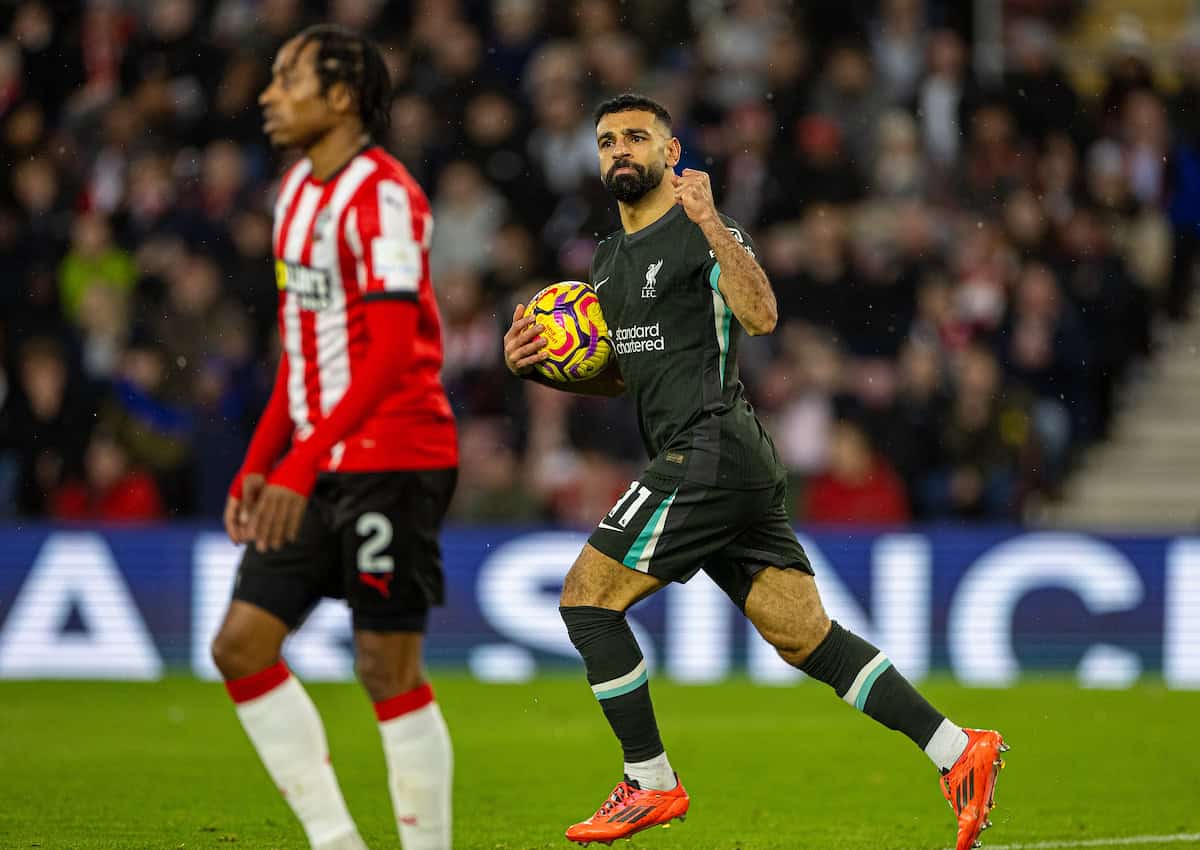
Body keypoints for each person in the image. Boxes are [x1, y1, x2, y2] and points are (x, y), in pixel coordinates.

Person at [502, 93, 1008, 850]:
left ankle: (651, 782)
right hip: (720, 459)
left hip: (706, 447)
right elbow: (623, 375)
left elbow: (763, 314)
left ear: (671, 155)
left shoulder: (704, 231)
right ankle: (957, 750)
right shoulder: (606, 260)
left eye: (637, 137)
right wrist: (544, 370)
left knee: (586, 601)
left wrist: (710, 222)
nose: (620, 151)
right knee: (801, 634)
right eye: (607, 141)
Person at [210, 26, 457, 850]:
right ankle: (337, 841)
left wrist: (302, 460)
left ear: (343, 96)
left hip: (395, 457)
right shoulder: (293, 197)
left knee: (386, 670)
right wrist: (261, 462)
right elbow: (304, 351)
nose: (267, 95)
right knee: (242, 647)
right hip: (315, 462)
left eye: (287, 79)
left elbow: (390, 354)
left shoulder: (383, 195)